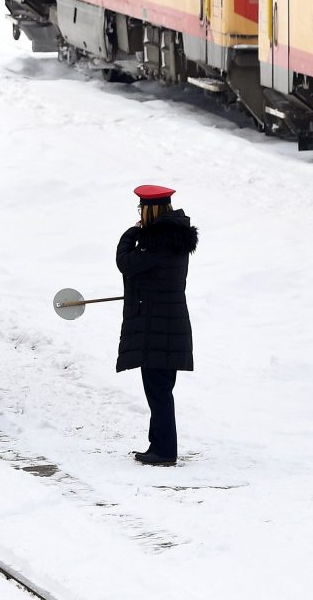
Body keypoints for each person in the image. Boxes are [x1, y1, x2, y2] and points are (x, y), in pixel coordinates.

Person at [117, 183, 198, 467]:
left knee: (159, 392)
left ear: (150, 209)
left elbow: (126, 263)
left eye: (141, 208)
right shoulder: (172, 240)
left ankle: (164, 451)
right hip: (169, 326)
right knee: (161, 390)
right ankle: (158, 445)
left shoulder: (159, 243)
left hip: (159, 328)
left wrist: (131, 232)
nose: (139, 213)